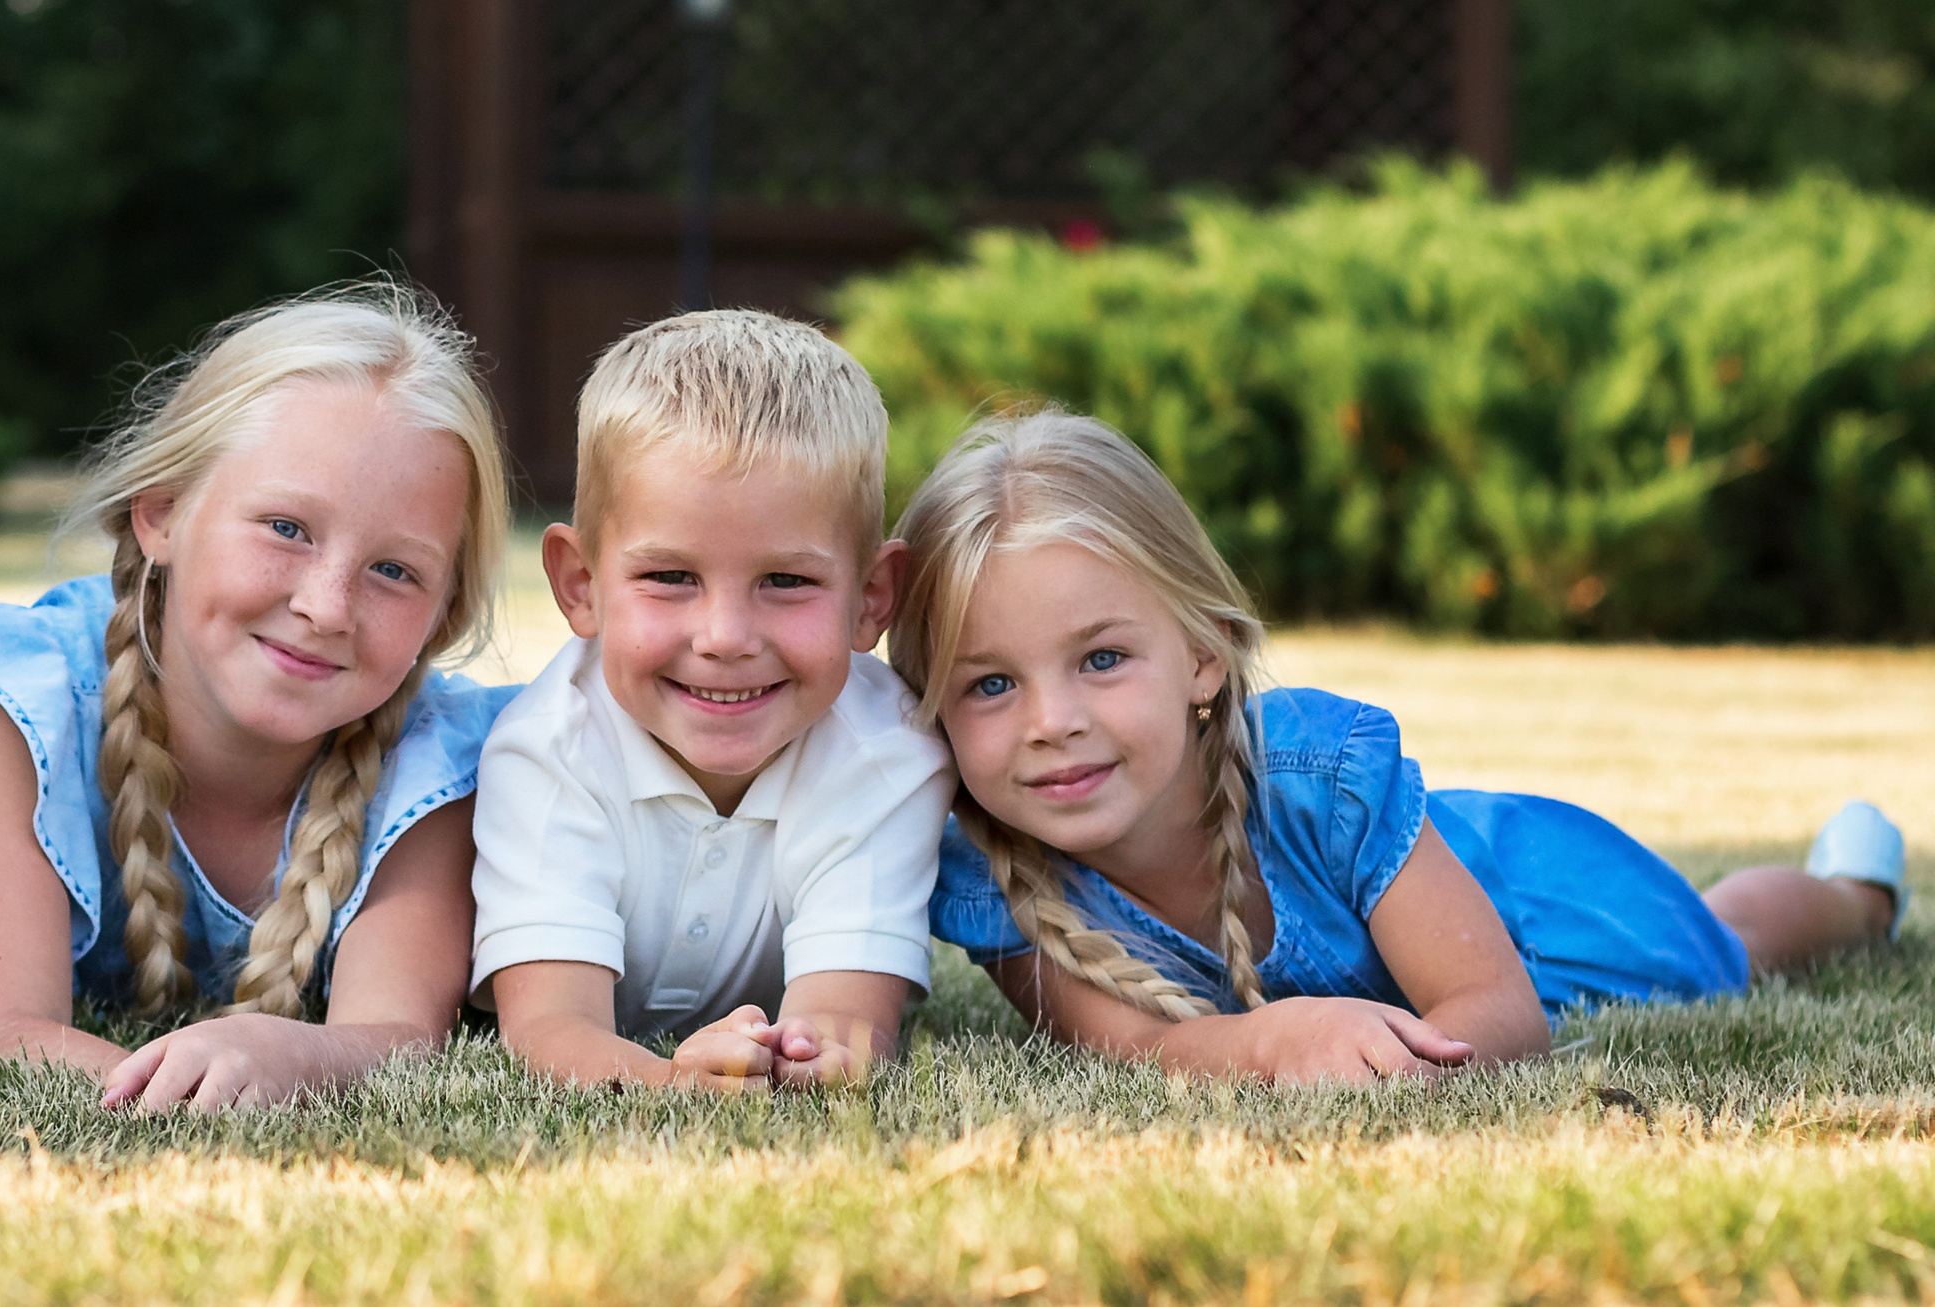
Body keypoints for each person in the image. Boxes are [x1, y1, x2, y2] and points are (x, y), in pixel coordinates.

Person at [888, 408, 1909, 1084]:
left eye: (1101, 660)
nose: (1050, 719)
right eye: (989, 683)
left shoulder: (1316, 779)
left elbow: (1502, 1016)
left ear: (1203, 656)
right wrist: (1276, 1043)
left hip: (1534, 906)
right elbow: (1142, 1049)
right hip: (1425, 958)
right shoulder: (993, 871)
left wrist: (1372, 1057)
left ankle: (1855, 893)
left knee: (1730, 943)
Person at [0, 284, 519, 1111]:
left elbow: (395, 1036)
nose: (326, 606)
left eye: (394, 570)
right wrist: (182, 1090)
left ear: (442, 615)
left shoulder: (435, 764)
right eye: (286, 527)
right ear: (163, 512)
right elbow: (1, 1028)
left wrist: (283, 1052)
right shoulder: (27, 695)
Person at [471, 311, 956, 1091]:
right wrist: (677, 1084)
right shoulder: (547, 750)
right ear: (580, 584)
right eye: (671, 577)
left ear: (871, 597)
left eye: (787, 581)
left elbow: (843, 1022)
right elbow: (550, 1028)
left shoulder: (890, 754)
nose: (726, 636)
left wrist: (806, 1059)